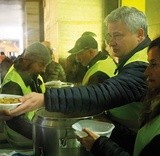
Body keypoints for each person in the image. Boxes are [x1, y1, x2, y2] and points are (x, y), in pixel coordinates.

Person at [7, 6, 150, 121]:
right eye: (109, 36)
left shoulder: (143, 64)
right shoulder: (132, 59)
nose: (111, 43)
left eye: (117, 35)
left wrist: (47, 98)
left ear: (139, 34)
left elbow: (103, 94)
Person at [77, 36, 160, 156]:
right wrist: (112, 128)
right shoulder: (156, 105)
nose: (146, 72)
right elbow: (142, 145)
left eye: (153, 64)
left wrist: (98, 145)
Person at [1, 42, 51, 149]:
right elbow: (15, 121)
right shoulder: (12, 82)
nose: (44, 70)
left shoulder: (34, 74)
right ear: (27, 61)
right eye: (41, 65)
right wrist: (41, 136)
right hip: (20, 134)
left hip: (34, 127)